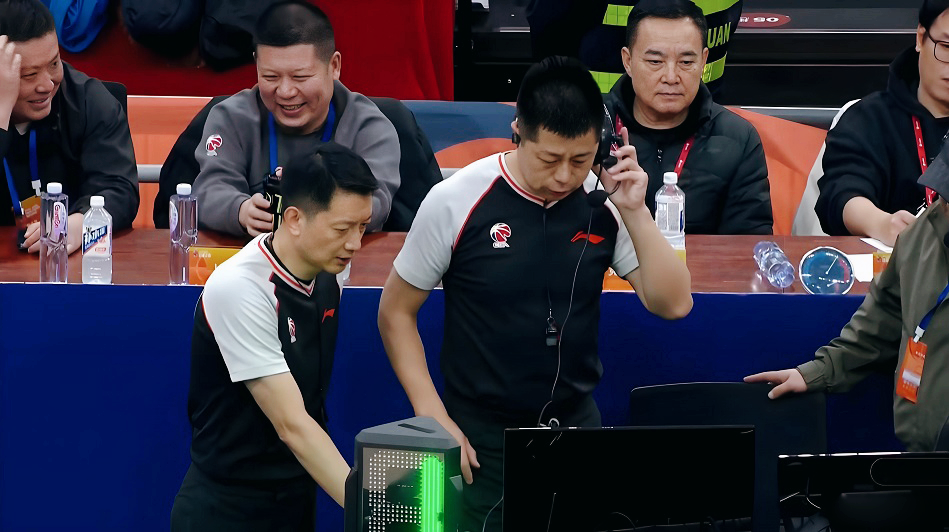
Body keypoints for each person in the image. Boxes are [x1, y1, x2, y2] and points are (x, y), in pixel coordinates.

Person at [377, 56, 693, 532]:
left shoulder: (604, 200)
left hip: (576, 430)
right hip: (480, 440)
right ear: (517, 133)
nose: (565, 176)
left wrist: (635, 210)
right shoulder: (455, 201)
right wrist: (432, 415)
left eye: (580, 160)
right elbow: (395, 313)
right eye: (549, 159)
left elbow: (674, 304)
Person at [171, 143, 377, 531]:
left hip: (295, 499)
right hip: (229, 510)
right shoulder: (240, 289)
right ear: (294, 219)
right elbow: (292, 425)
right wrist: (374, 513)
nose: (355, 243)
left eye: (362, 226)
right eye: (342, 229)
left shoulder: (330, 269)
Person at [746, 147, 949, 452]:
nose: (945, 207)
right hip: (922, 458)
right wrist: (817, 372)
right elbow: (882, 321)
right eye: (945, 195)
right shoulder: (926, 231)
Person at [192, 0, 400, 237]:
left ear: (334, 66)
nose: (285, 91)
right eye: (270, 77)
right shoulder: (231, 118)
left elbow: (376, 202)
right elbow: (209, 189)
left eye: (300, 77)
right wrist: (240, 210)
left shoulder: (368, 126)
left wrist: (315, 211)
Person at [603, 0, 771, 235]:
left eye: (686, 62)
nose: (671, 77)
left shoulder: (738, 138)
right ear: (628, 61)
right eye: (655, 62)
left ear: (703, 61)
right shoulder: (592, 127)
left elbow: (748, 244)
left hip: (701, 260)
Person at [0, 0, 139, 253]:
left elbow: (119, 189)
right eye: (29, 75)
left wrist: (81, 223)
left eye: (54, 64)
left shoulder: (89, 101)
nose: (47, 85)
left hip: (70, 260)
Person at [815, 0, 949, 246]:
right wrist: (883, 224)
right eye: (946, 47)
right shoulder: (870, 118)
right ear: (921, 38)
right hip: (891, 263)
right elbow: (842, 192)